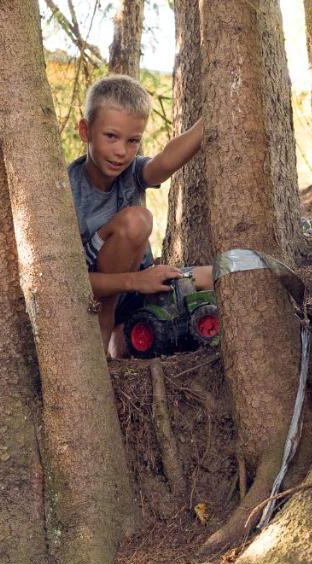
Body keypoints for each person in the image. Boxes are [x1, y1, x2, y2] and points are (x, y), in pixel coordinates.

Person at [69, 74, 213, 357]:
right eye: (111, 136)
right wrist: (135, 281)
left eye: (133, 140)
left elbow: (166, 161)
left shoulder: (132, 172)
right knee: (137, 220)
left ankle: (123, 337)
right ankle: (107, 332)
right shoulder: (67, 193)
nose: (121, 152)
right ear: (85, 131)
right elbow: (70, 280)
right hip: (100, 296)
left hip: (142, 287)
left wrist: (212, 113)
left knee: (215, 276)